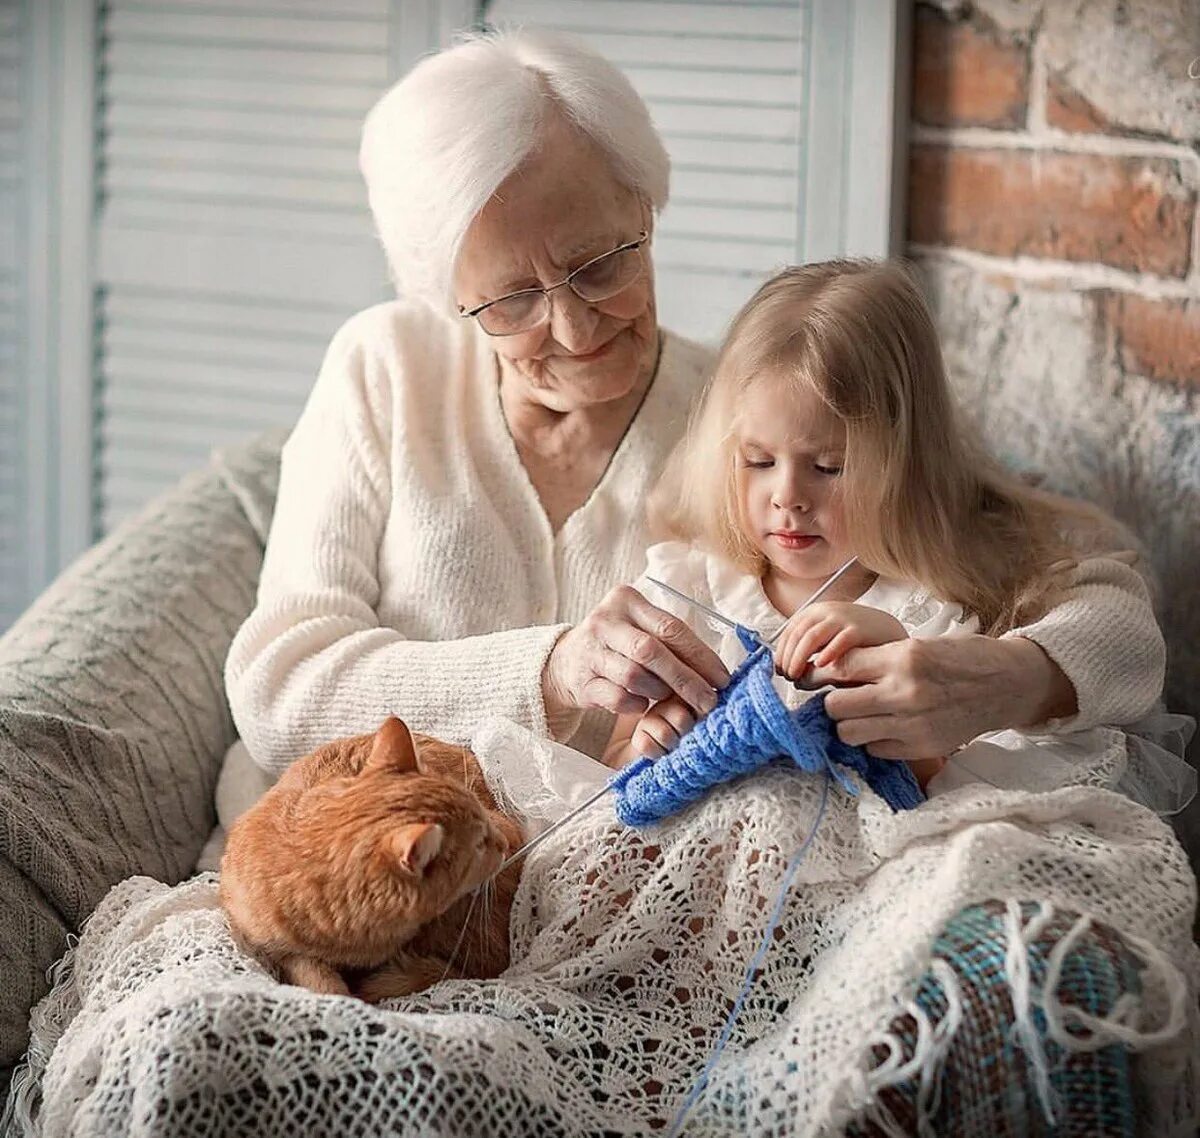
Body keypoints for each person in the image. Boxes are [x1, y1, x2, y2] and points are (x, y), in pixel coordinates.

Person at [224, 29, 1167, 790]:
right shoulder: (385, 367)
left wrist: (1005, 680)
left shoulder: (757, 426)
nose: (573, 324)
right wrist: (551, 671)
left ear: (647, 207)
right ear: (444, 293)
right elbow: (278, 689)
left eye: (601, 263)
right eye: (510, 299)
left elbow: (1075, 578)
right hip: (356, 860)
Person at [603, 261, 1193, 814]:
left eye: (829, 466)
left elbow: (943, 806)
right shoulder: (688, 590)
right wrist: (646, 750)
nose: (787, 496)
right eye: (758, 461)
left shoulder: (939, 609)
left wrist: (904, 722)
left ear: (909, 463)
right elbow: (610, 773)